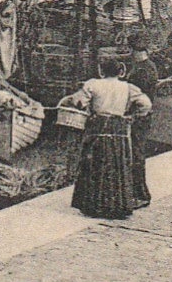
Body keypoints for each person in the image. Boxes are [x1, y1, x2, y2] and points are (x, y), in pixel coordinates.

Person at [62, 57, 152, 219]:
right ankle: (118, 204)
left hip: (98, 127)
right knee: (117, 164)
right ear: (121, 72)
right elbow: (146, 104)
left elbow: (78, 101)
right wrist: (133, 115)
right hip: (119, 130)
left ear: (101, 71)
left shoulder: (93, 84)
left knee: (95, 163)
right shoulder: (128, 88)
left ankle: (94, 204)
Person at [125, 37, 160, 207]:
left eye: (132, 51)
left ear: (137, 52)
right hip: (142, 114)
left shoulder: (143, 70)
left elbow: (138, 94)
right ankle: (136, 192)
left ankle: (141, 194)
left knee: (137, 154)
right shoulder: (147, 67)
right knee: (136, 153)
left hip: (139, 116)